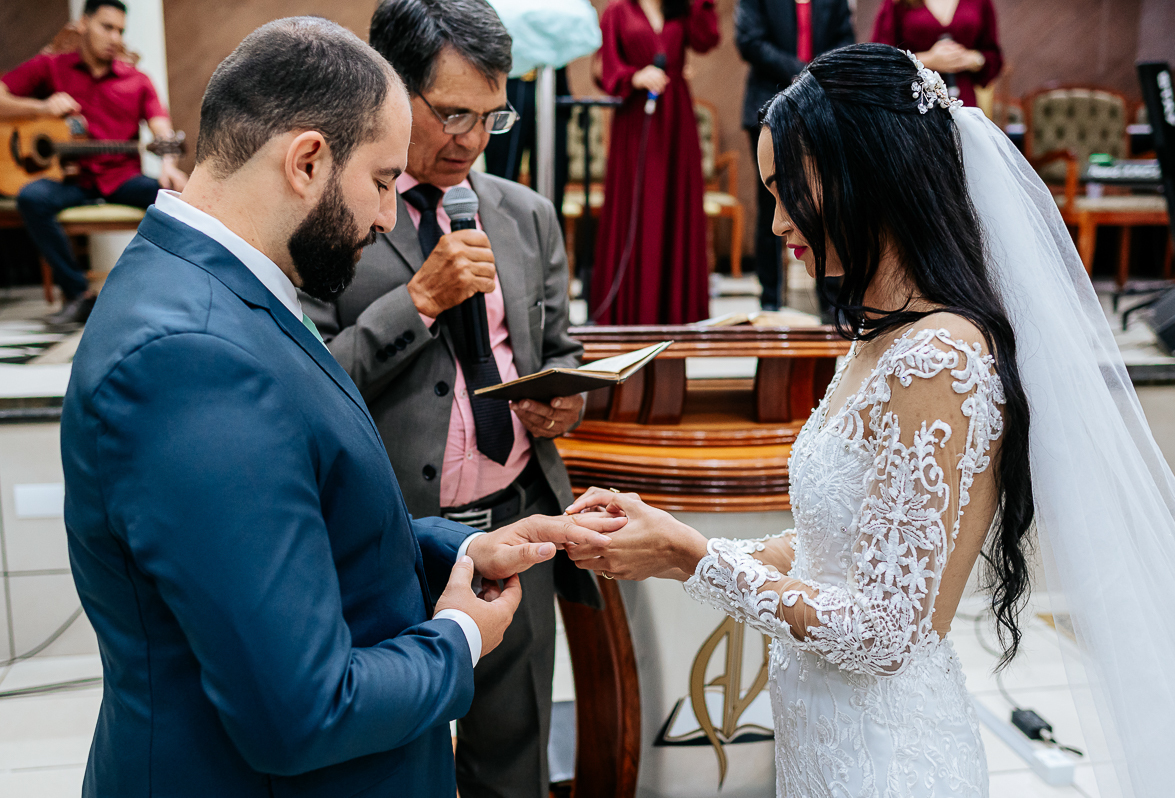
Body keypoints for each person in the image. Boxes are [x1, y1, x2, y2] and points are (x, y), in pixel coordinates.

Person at [564, 44, 1175, 797]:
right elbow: (840, 547)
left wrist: (693, 557)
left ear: (866, 172)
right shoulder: (884, 338)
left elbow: (884, 633)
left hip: (886, 761)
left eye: (788, 191)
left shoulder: (939, 356)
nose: (777, 223)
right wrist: (667, 539)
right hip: (831, 744)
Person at [61, 17, 620, 797]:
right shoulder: (190, 357)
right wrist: (459, 635)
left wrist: (461, 551)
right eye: (384, 180)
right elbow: (303, 711)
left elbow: (303, 530)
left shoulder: (224, 284)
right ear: (307, 162)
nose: (390, 214)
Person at [299, 2, 597, 797]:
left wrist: (564, 401)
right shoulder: (331, 218)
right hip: (389, 534)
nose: (470, 139)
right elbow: (306, 384)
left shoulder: (526, 215)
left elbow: (558, 349)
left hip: (518, 522)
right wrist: (417, 303)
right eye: (453, 113)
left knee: (514, 757)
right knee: (393, 762)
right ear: (390, 89)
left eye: (493, 117)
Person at [0, 0, 188, 325]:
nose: (115, 37)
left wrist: (169, 164)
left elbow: (162, 128)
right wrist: (41, 108)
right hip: (72, 181)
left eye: (120, 31)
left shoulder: (138, 80)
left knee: (174, 200)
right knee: (32, 198)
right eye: (107, 27)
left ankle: (168, 294)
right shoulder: (51, 67)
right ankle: (79, 294)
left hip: (122, 178)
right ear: (84, 24)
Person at [589, 0, 719, 325]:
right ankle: (632, 309)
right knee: (636, 203)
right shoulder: (618, 11)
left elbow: (706, 39)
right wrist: (634, 76)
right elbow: (605, 67)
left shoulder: (681, 9)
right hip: (635, 119)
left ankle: (676, 312)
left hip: (677, 120)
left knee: (676, 204)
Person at [735, 0, 853, 310]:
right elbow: (750, 41)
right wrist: (803, 73)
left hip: (822, 107)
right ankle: (770, 299)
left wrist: (816, 76)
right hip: (768, 102)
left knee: (825, 200)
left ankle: (829, 300)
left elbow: (845, 38)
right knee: (771, 206)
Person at [871, 0, 1002, 110]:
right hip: (912, 102)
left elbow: (993, 56)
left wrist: (974, 60)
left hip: (962, 102)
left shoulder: (981, 2)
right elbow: (880, 58)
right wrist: (926, 61)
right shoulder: (896, 3)